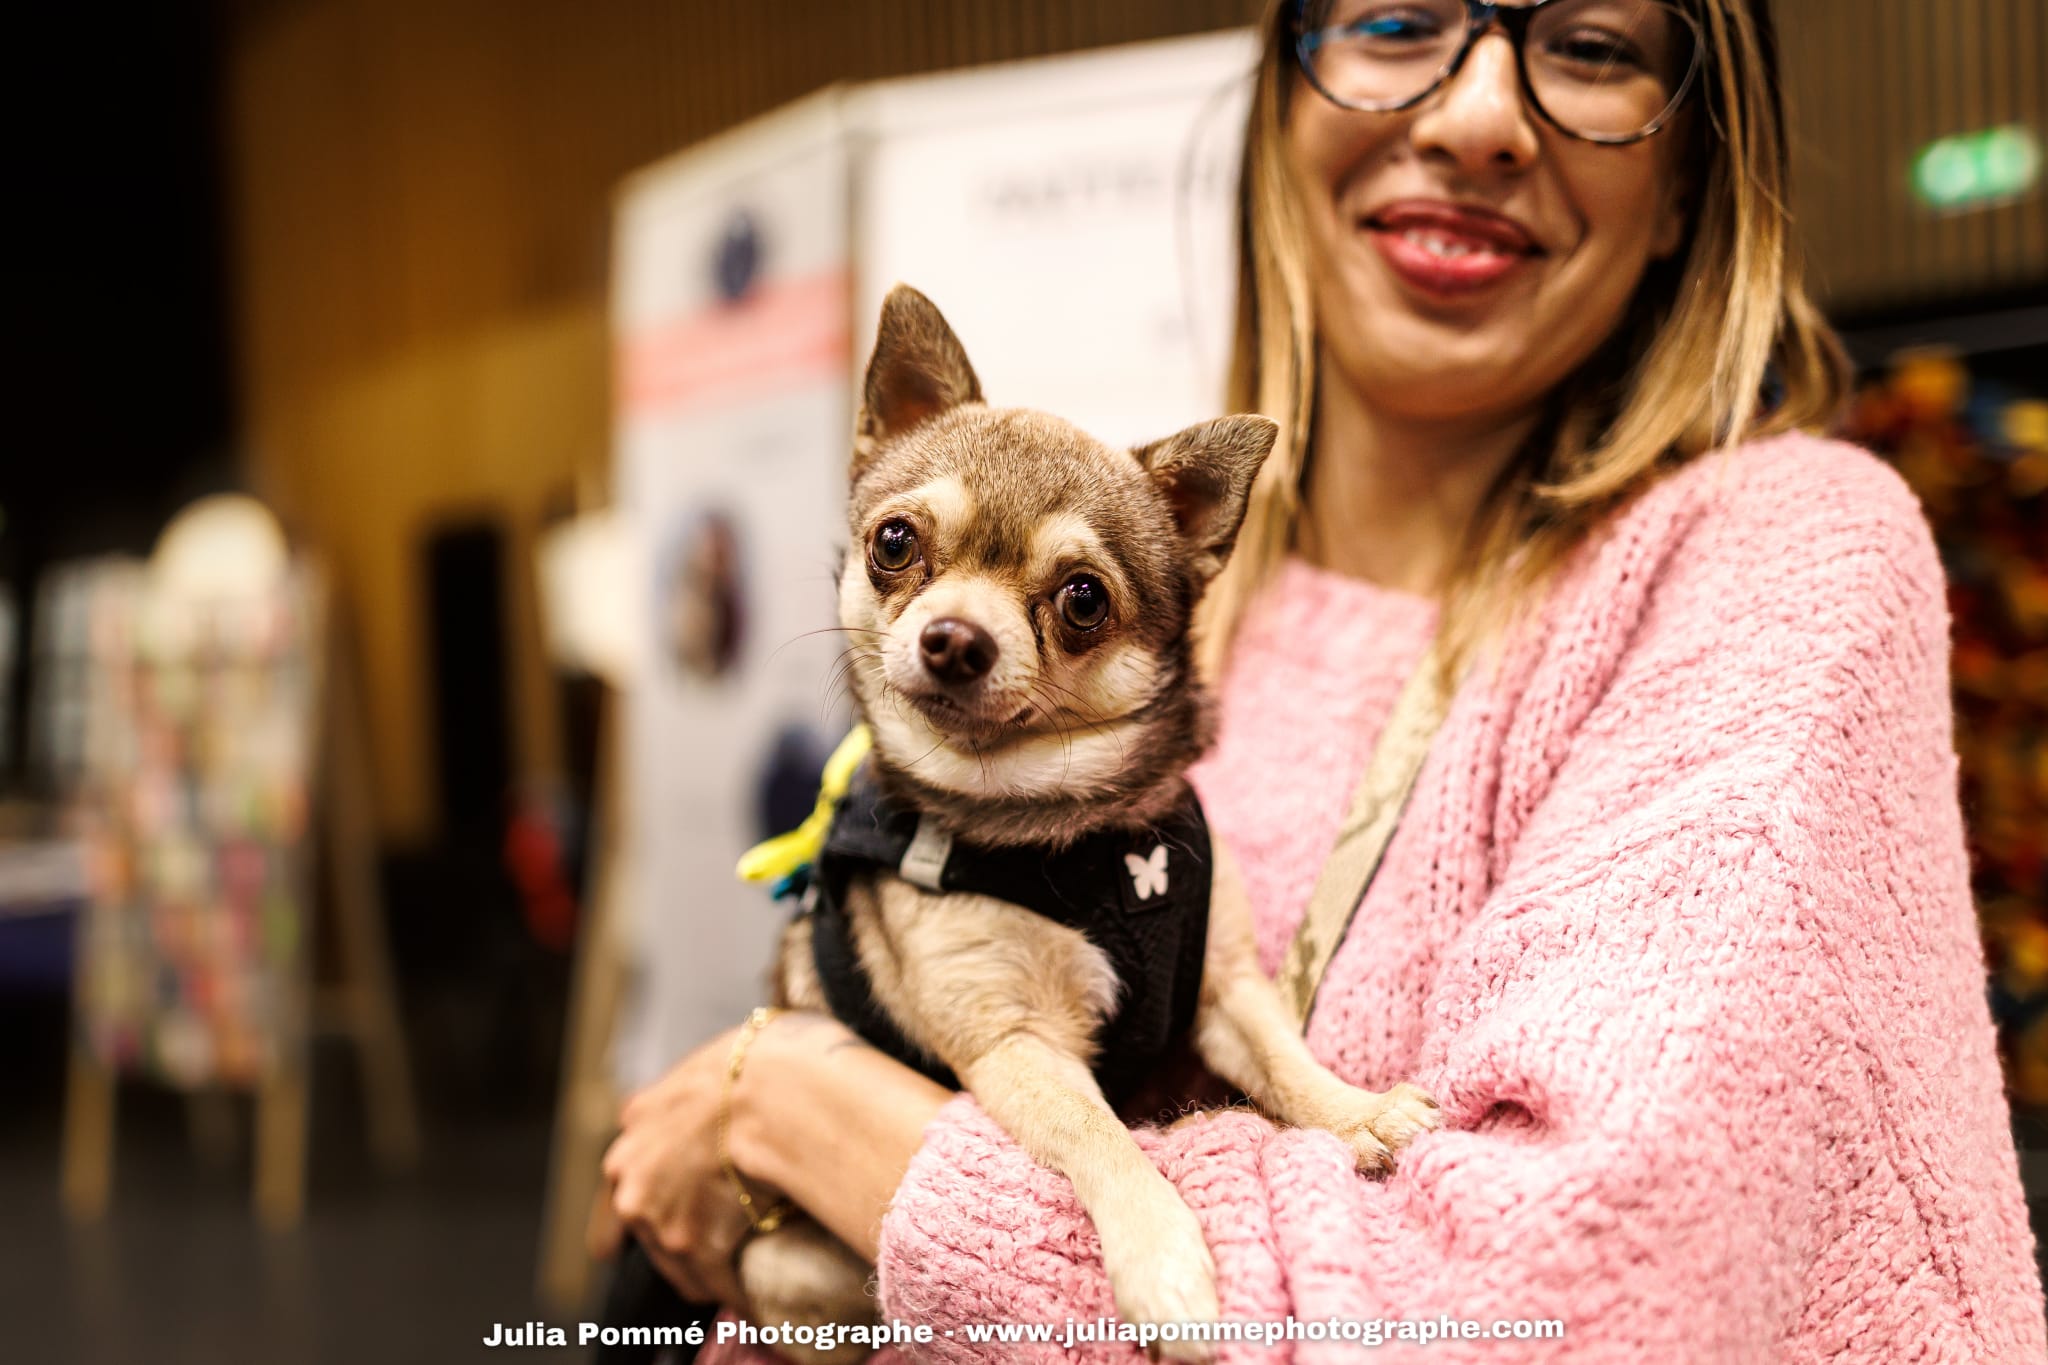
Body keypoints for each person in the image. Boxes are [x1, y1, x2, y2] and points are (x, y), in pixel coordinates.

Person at [600, 0, 2048, 1358]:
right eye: (1400, 20)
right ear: (1280, 105)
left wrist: (790, 1104)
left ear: (1688, 178)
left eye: (1592, 46)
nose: (1482, 112)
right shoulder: (1179, 582)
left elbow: (1541, 1313)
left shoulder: (1772, 561)